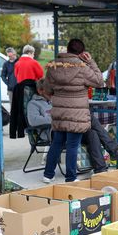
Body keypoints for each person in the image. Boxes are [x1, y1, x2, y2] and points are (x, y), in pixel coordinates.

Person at [43, 39, 103, 183]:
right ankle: (70, 177)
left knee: (56, 143)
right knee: (72, 145)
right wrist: (91, 62)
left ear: (67, 49)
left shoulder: (54, 66)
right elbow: (99, 82)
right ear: (82, 53)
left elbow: (46, 89)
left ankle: (47, 175)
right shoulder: (83, 67)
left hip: (59, 111)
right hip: (77, 113)